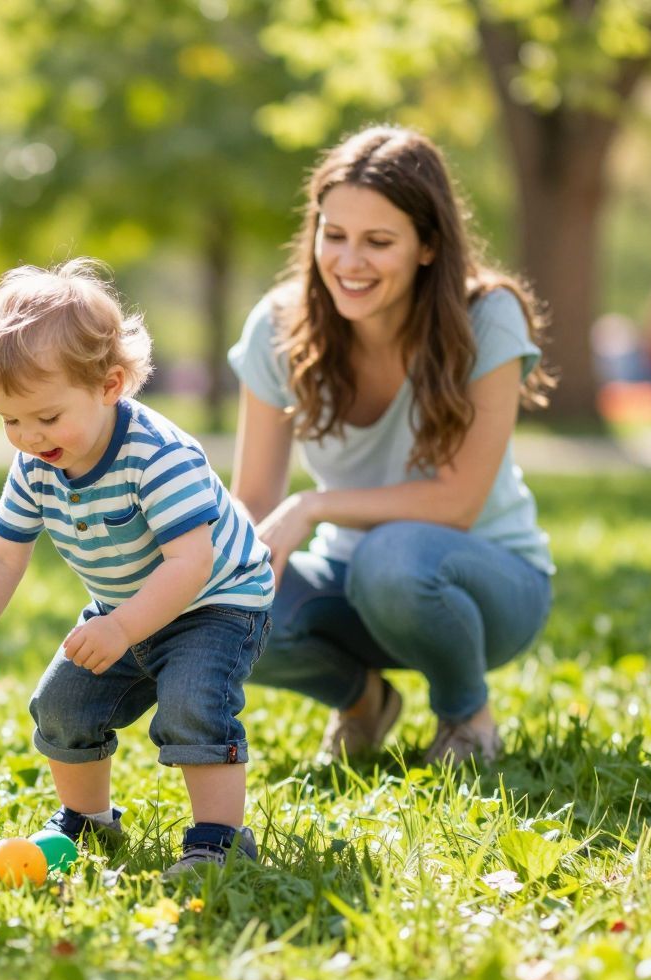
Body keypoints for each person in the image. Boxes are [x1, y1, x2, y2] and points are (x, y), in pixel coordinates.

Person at [0, 260, 274, 877]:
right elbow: (2, 553)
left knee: (193, 703)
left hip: (216, 604)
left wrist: (121, 628)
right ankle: (88, 822)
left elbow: (191, 563)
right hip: (124, 608)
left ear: (110, 385)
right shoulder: (37, 465)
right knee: (63, 705)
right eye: (10, 420)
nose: (29, 437)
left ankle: (219, 842)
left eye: (46, 417)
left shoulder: (158, 456)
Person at [228, 125, 555, 767]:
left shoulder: (488, 316)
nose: (349, 262)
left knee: (391, 560)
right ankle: (363, 702)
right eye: (335, 235)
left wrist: (315, 506)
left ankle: (466, 714)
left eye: (378, 242)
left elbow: (458, 502)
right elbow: (255, 501)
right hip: (351, 584)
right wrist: (203, 572)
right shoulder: (278, 327)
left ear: (428, 246)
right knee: (221, 598)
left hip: (486, 585)